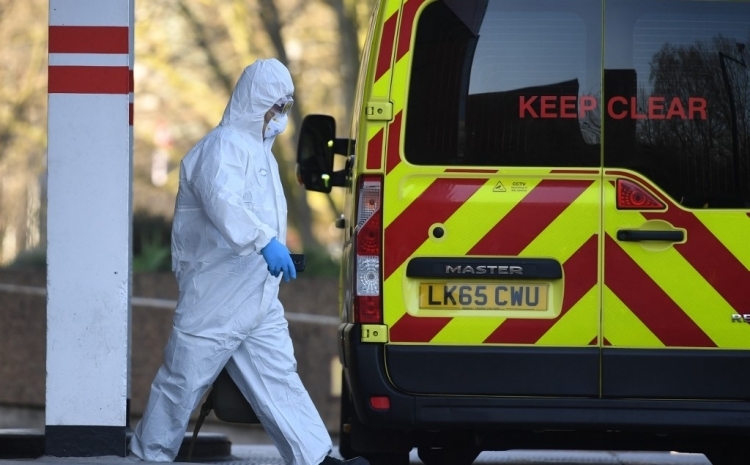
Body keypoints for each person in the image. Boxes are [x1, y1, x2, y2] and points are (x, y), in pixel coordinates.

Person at [129, 59, 369, 465]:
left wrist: (272, 248)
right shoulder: (221, 147)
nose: (281, 115)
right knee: (182, 382)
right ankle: (148, 456)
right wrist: (265, 241)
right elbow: (224, 204)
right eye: (277, 106)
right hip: (215, 294)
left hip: (256, 292)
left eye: (286, 106)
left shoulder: (262, 154)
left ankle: (314, 457)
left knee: (278, 376)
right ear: (256, 102)